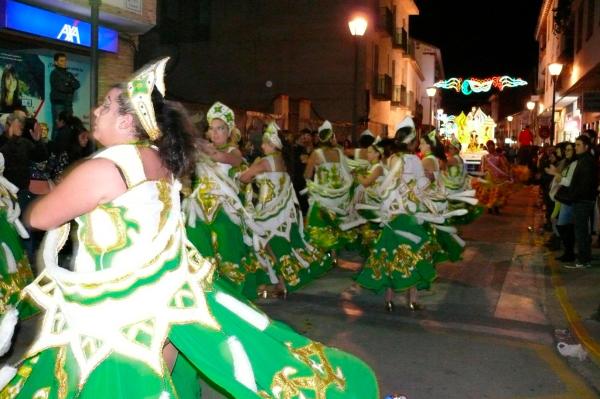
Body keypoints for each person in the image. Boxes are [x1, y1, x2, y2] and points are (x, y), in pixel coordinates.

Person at [0, 57, 378, 399]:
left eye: (105, 106)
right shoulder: (160, 160)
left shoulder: (104, 168)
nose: (95, 111)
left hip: (118, 304)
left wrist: (58, 188)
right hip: (162, 289)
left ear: (128, 122)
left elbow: (39, 218)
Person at [184, 101, 265, 299]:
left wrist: (196, 143)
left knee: (227, 244)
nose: (216, 133)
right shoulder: (202, 150)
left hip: (225, 208)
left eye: (221, 128)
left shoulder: (233, 152)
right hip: (198, 209)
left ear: (229, 131)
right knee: (196, 245)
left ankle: (233, 293)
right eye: (212, 129)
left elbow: (222, 158)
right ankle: (204, 291)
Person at [239, 122, 331, 296]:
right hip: (281, 212)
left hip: (268, 212)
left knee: (265, 243)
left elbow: (244, 177)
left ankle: (279, 282)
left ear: (273, 144)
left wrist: (242, 172)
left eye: (265, 143)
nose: (262, 146)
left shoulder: (266, 161)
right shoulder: (281, 160)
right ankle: (280, 283)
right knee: (274, 245)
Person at [303, 120, 356, 253]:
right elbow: (347, 171)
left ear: (319, 137)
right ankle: (334, 253)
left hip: (322, 195)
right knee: (335, 223)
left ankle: (324, 253)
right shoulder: (338, 152)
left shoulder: (316, 153)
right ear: (331, 137)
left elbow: (307, 175)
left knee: (319, 224)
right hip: (339, 196)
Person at [565, 135, 597, 268]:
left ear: (586, 147)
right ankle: (585, 258)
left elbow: (583, 184)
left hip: (583, 201)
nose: (575, 147)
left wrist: (574, 195)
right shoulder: (584, 160)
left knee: (581, 231)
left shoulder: (586, 162)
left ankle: (583, 260)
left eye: (578, 145)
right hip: (582, 200)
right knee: (582, 230)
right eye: (575, 145)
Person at [50, 53, 80, 133]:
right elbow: (60, 88)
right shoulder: (54, 74)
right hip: (58, 104)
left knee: (69, 126)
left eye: (65, 60)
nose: (64, 62)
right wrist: (71, 87)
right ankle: (55, 145)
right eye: (61, 61)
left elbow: (77, 85)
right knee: (58, 126)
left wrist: (68, 83)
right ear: (56, 62)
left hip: (68, 104)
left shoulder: (69, 74)